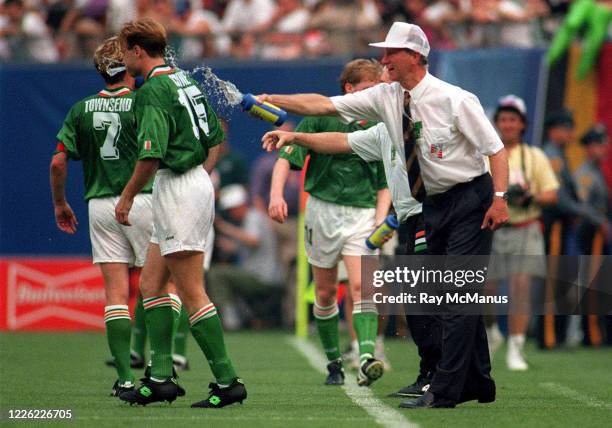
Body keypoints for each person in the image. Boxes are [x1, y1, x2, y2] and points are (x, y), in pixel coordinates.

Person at [258, 21, 509, 408]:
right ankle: (476, 381)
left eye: (390, 52)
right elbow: (326, 109)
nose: (383, 59)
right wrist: (275, 102)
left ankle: (444, 389)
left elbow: (496, 149)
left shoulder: (455, 99)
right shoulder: (388, 99)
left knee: (455, 294)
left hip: (469, 199)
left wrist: (499, 197)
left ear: (414, 56)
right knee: (432, 296)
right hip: (431, 207)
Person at [115, 18, 246, 408]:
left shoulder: (153, 89)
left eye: (124, 50)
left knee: (190, 290)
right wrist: (196, 174)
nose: (122, 58)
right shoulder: (183, 79)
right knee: (152, 286)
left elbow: (151, 153)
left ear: (138, 50)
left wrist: (126, 197)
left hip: (179, 186)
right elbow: (215, 137)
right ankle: (160, 378)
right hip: (190, 181)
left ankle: (227, 381)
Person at [268, 58, 392, 387]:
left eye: (378, 89)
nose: (374, 95)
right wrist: (276, 195)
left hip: (362, 215)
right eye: (367, 89)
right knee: (324, 293)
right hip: (322, 212)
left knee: (361, 286)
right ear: (349, 90)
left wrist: (381, 218)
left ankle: (365, 356)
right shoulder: (320, 119)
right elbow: (286, 155)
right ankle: (334, 362)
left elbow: (385, 182)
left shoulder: (381, 125)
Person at [50, 36, 152, 397]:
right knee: (158, 288)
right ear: (128, 66)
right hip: (143, 200)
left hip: (99, 205)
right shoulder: (144, 101)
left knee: (115, 294)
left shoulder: (81, 109)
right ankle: (160, 370)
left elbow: (59, 161)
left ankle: (124, 378)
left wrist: (61, 203)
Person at [486, 95, 558, 370]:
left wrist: (531, 197)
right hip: (494, 228)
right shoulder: (486, 153)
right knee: (484, 291)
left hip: (525, 227)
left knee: (520, 287)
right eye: (503, 119)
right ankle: (493, 333)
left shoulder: (534, 156)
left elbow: (552, 193)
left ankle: (516, 346)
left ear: (522, 124)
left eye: (513, 119)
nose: (507, 124)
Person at [574, 124, 611, 345]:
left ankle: (597, 333)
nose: (604, 148)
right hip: (591, 234)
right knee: (594, 282)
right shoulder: (586, 173)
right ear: (588, 148)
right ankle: (592, 334)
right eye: (598, 144)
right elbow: (582, 207)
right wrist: (602, 222)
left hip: (598, 234)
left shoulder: (597, 171)